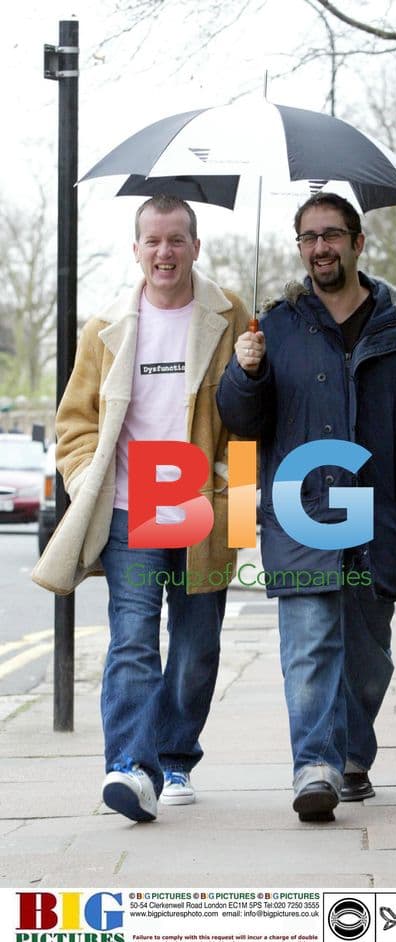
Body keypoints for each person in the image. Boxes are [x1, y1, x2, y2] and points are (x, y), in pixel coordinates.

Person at [216, 192, 396, 823]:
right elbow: (241, 424)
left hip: (379, 517)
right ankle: (314, 767)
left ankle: (351, 756)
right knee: (310, 644)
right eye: (309, 238)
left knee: (368, 657)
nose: (320, 248)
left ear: (357, 243)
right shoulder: (274, 327)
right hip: (302, 512)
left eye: (331, 235)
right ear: (300, 248)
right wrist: (246, 375)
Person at [32, 194, 250, 823]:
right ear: (136, 250)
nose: (164, 252)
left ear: (196, 246)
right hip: (133, 505)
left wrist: (255, 375)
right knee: (132, 637)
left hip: (206, 501)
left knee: (197, 643)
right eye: (152, 241)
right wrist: (88, 483)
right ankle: (130, 766)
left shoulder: (232, 316)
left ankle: (175, 757)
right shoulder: (106, 328)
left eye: (176, 239)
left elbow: (251, 426)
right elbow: (74, 424)